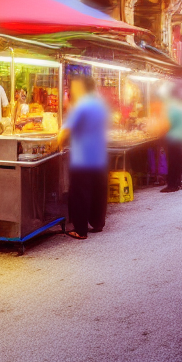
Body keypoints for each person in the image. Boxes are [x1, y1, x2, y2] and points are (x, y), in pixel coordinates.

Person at [53, 73, 109, 239]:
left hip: (83, 156)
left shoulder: (82, 105)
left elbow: (66, 131)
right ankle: (98, 223)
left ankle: (80, 230)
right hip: (99, 154)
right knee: (98, 189)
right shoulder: (99, 103)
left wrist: (56, 144)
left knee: (80, 192)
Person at [161, 87, 182, 193]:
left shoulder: (172, 107)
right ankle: (179, 183)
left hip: (173, 137)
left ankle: (172, 185)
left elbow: (167, 123)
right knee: (178, 161)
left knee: (173, 162)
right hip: (181, 136)